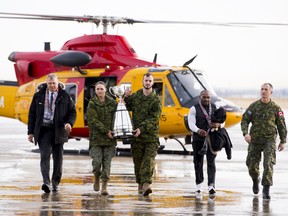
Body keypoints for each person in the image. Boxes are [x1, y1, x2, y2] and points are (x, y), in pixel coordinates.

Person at [27, 73, 76, 193]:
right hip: (43, 130)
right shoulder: (38, 96)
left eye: (54, 83)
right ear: (47, 84)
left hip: (59, 130)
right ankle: (46, 182)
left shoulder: (65, 96)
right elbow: (32, 114)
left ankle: (55, 183)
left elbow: (72, 112)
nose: (52, 85)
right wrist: (30, 132)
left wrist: (69, 123)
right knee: (45, 156)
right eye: (50, 83)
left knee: (58, 159)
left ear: (57, 82)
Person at [241, 83, 287, 199]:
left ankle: (266, 189)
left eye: (266, 89)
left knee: (268, 164)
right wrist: (246, 133)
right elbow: (245, 120)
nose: (263, 91)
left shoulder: (276, 108)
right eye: (262, 89)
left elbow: (281, 125)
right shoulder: (254, 106)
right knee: (251, 165)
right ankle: (255, 179)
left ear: (271, 92)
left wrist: (283, 141)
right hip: (254, 140)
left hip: (269, 140)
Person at [124, 72, 162, 196]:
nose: (147, 83)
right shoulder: (136, 96)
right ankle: (140, 183)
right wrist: (125, 97)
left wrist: (142, 128)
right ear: (142, 81)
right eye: (146, 80)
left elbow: (154, 118)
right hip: (137, 137)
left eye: (150, 81)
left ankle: (147, 184)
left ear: (153, 83)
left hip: (150, 137)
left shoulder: (156, 99)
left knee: (148, 160)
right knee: (138, 161)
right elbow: (126, 107)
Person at [187, 90, 224, 195]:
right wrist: (198, 130)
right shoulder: (194, 109)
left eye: (208, 97)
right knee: (198, 162)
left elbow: (223, 121)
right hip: (198, 138)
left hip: (212, 139)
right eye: (204, 97)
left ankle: (211, 185)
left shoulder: (215, 107)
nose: (206, 99)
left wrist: (218, 125)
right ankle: (198, 185)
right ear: (200, 97)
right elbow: (191, 123)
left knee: (211, 162)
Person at [87, 81, 117, 195]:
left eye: (101, 89)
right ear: (95, 91)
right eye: (97, 89)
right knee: (96, 162)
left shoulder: (112, 103)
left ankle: (104, 185)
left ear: (105, 90)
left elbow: (117, 117)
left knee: (107, 163)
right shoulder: (92, 103)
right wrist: (106, 131)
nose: (99, 91)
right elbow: (93, 121)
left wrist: (116, 131)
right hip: (96, 139)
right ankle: (96, 177)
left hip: (110, 140)